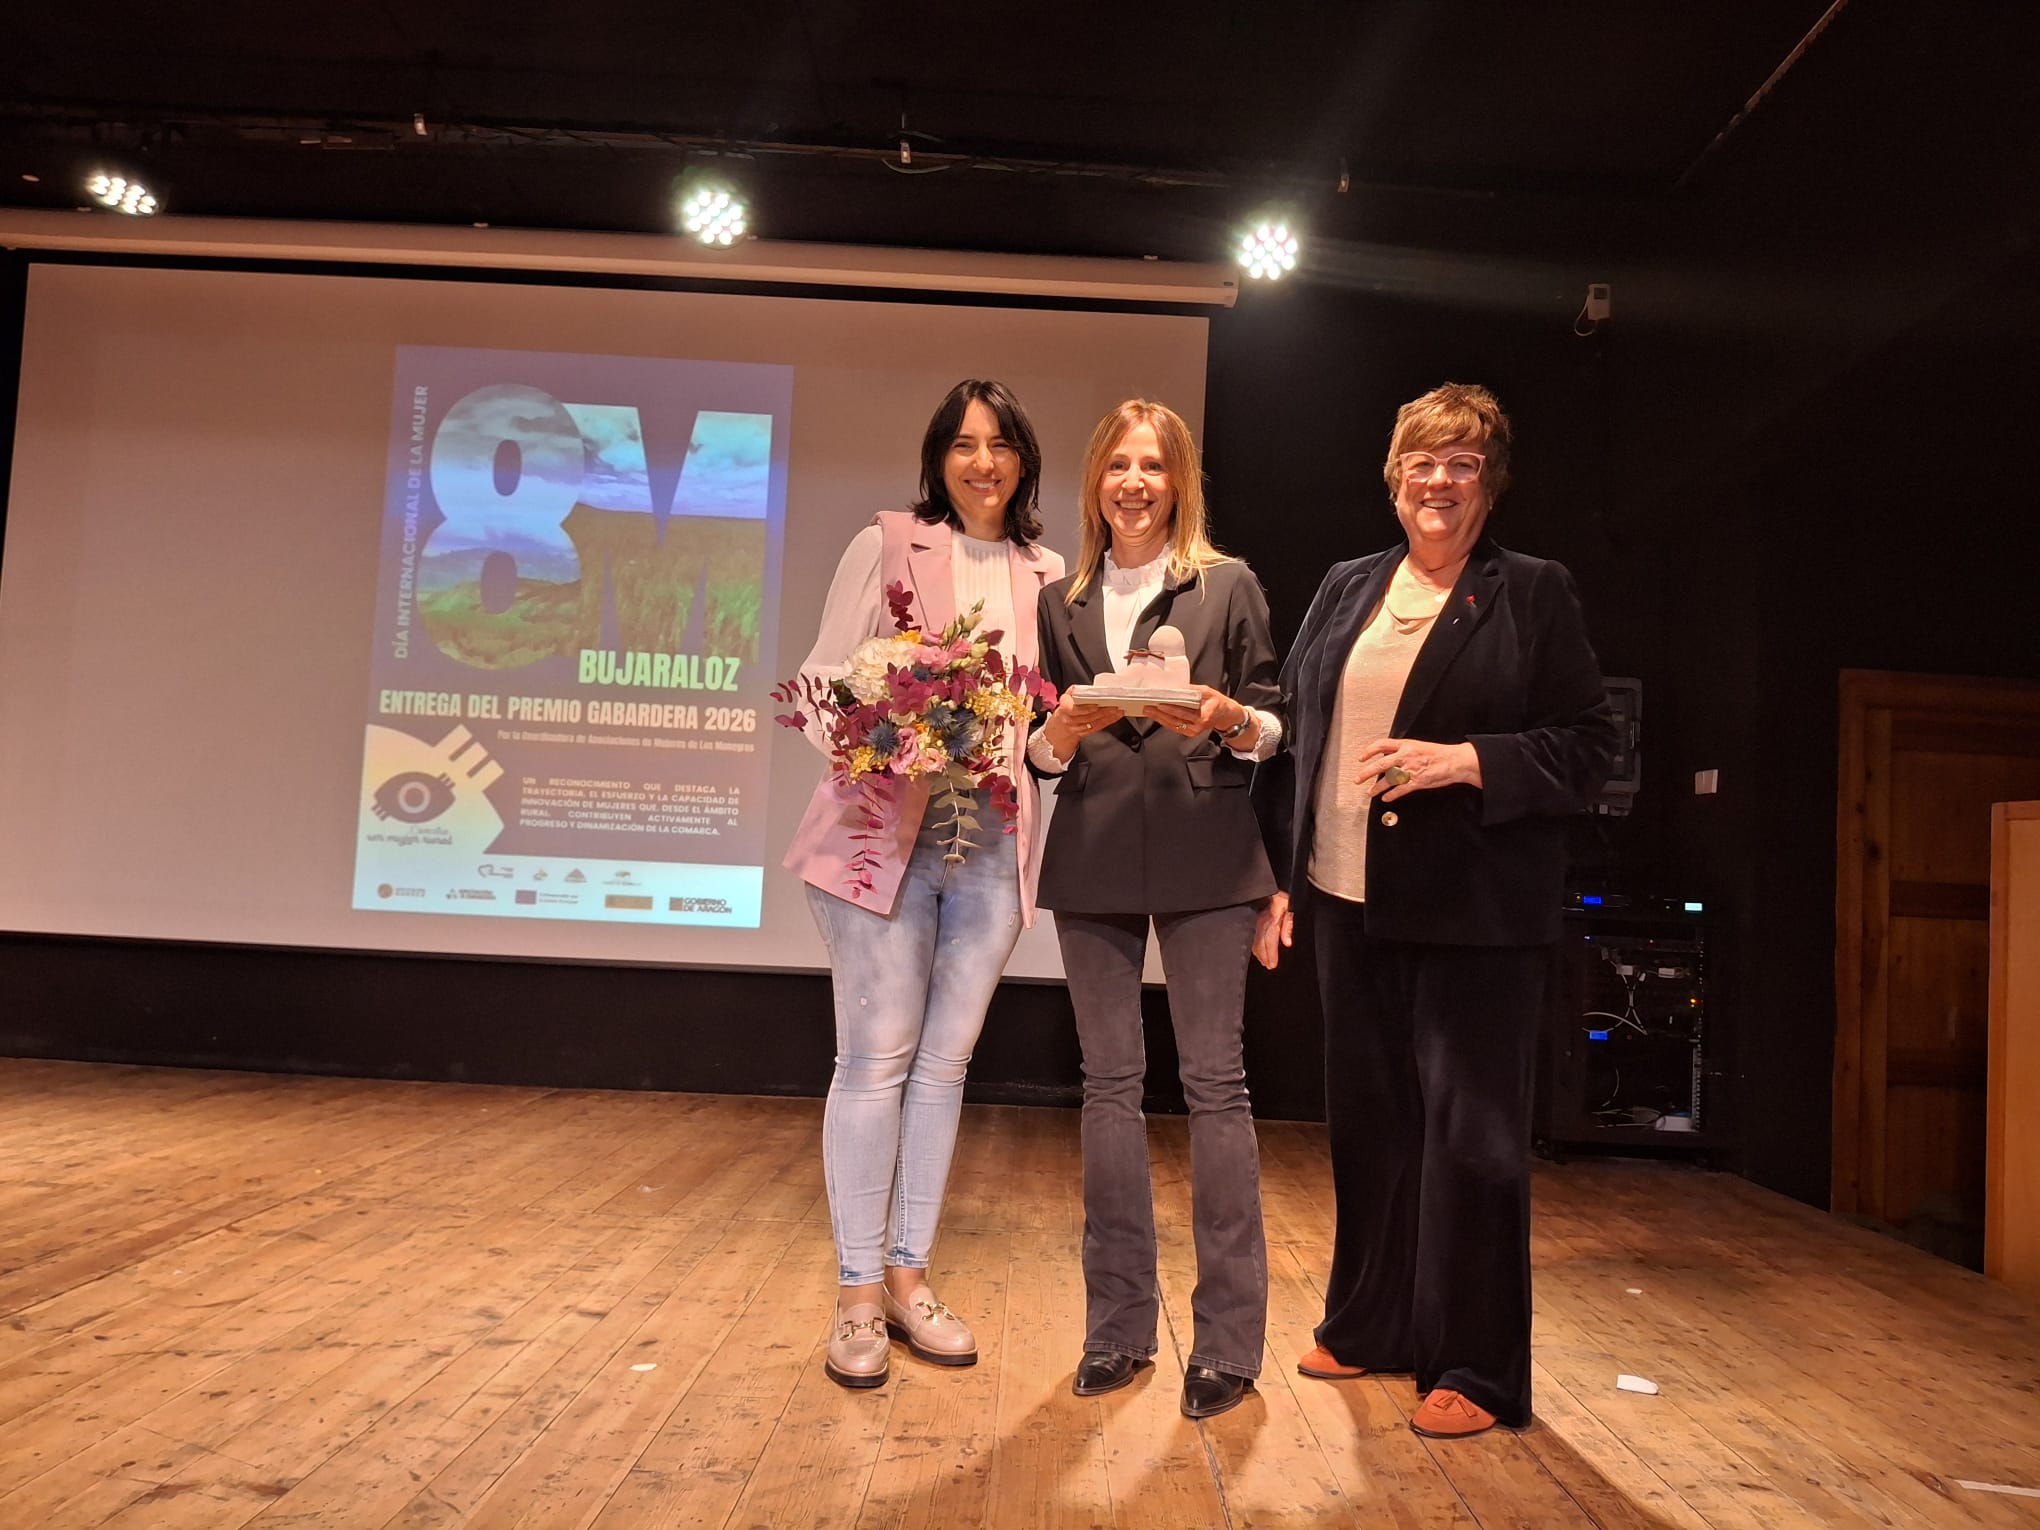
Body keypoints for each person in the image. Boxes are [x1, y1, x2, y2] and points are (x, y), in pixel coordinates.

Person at [1252, 382, 1616, 1437]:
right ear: (1394, 475)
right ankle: (1371, 1325)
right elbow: (1301, 731)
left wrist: (1463, 761)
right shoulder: (1348, 584)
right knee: (1371, 1131)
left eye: (1461, 463)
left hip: (1476, 916)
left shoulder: (1531, 593)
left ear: (1489, 483)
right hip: (1346, 901)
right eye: (1422, 460)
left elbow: (1592, 745)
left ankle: (1478, 1367)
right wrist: (1278, 875)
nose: (1438, 481)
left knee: (1473, 1145)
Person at [785, 380, 1065, 1389]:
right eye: (961, 443)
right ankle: (857, 1295)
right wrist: (879, 741)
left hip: (989, 845)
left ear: (1025, 460)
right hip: (880, 843)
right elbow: (825, 680)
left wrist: (1050, 743)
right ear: (938, 458)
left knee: (945, 1070)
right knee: (873, 1065)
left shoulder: (1051, 574)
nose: (981, 461)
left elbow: (1046, 739)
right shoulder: (888, 542)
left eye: (999, 444)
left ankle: (910, 1281)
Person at [1028, 399, 1281, 1419]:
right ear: (1095, 482)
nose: (1135, 482)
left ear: (1179, 482)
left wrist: (1226, 717)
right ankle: (1118, 1331)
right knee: (1108, 1087)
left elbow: (1273, 723)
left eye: (1154, 466)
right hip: (1090, 848)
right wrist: (1057, 731)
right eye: (1118, 465)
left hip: (1209, 850)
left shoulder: (1228, 585)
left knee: (1216, 1086)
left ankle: (1226, 1343)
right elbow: (1048, 752)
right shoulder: (1061, 597)